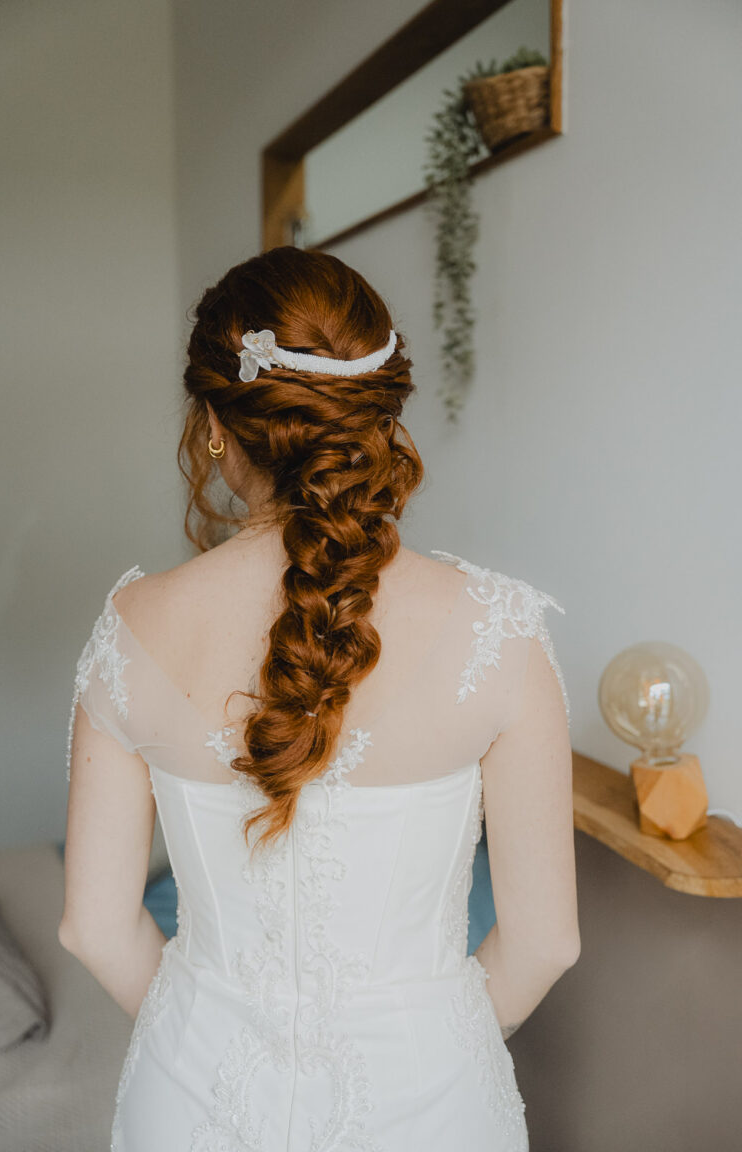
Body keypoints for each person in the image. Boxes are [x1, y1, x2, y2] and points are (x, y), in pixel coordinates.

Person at [60, 245, 580, 1152]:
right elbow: (543, 945)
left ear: (216, 424)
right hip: (432, 1110)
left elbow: (96, 927)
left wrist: (211, 1025)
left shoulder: (131, 626)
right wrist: (419, 1045)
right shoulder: (504, 634)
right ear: (378, 419)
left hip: (193, 1104)